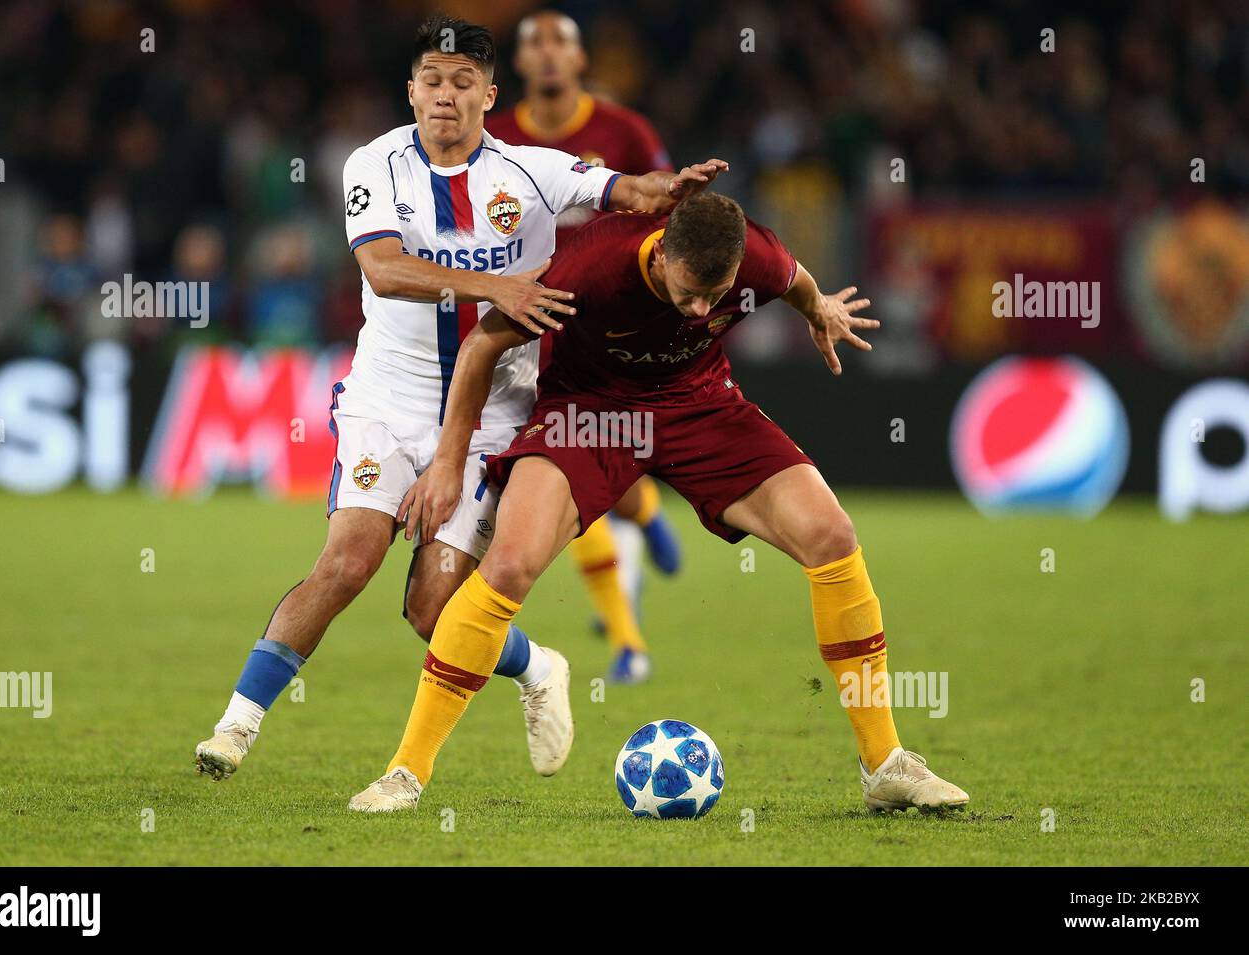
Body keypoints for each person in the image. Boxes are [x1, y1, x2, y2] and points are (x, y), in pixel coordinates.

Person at [192, 15, 728, 795]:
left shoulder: (531, 172)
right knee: (347, 561)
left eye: (463, 82)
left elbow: (620, 188)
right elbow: (383, 269)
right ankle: (237, 725)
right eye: (433, 81)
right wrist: (496, 287)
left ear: (489, 94)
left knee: (434, 609)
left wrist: (665, 191)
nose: (446, 95)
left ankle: (538, 665)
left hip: (493, 415)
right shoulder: (373, 164)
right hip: (386, 400)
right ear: (412, 90)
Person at [353, 192, 969, 814]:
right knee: (509, 566)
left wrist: (819, 310)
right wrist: (452, 461)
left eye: (718, 294)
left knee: (832, 535)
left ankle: (884, 764)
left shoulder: (754, 254)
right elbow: (486, 343)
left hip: (699, 405)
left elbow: (795, 279)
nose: (703, 308)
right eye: (690, 291)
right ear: (664, 252)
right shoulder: (591, 265)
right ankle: (406, 773)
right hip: (589, 413)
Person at [487, 9, 683, 683]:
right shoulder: (495, 139)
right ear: (518, 64)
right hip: (525, 326)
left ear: (579, 61)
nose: (546, 56)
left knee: (590, 475)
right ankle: (630, 642)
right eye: (533, 44)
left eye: (559, 44)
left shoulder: (625, 131)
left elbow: (669, 215)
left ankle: (644, 510)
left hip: (606, 326)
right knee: (557, 472)